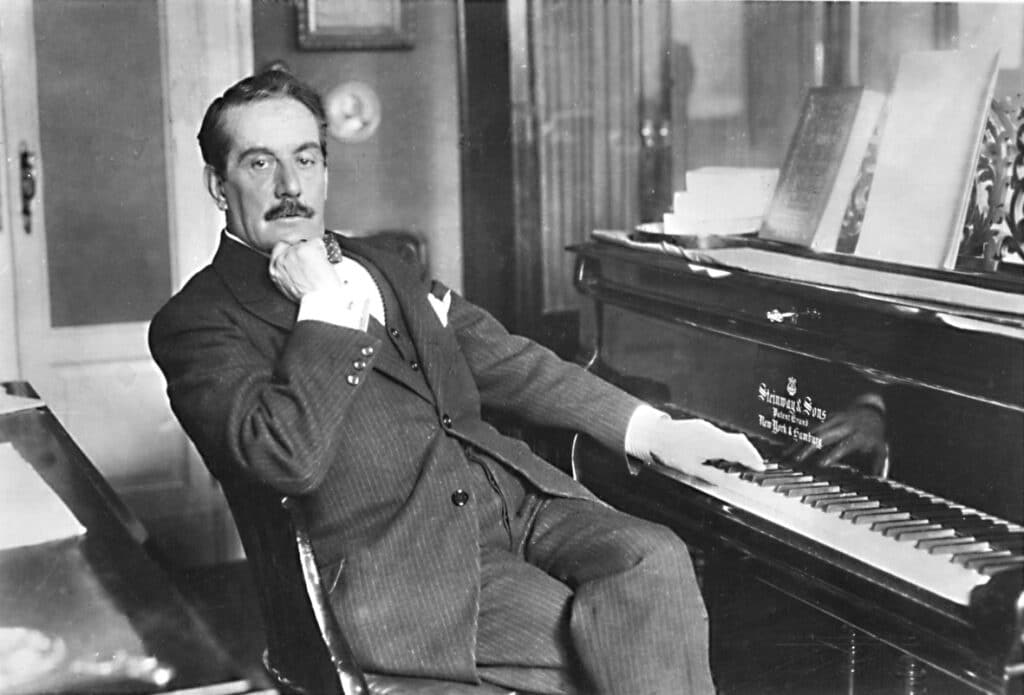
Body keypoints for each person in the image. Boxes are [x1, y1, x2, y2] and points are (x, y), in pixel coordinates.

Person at [149, 69, 765, 695]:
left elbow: (505, 360)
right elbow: (288, 459)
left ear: (326, 172)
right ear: (217, 184)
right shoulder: (197, 324)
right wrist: (324, 308)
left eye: (305, 159)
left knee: (653, 558)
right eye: (259, 164)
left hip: (516, 505)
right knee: (609, 640)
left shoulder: (385, 264)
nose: (290, 186)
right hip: (399, 572)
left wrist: (654, 430)